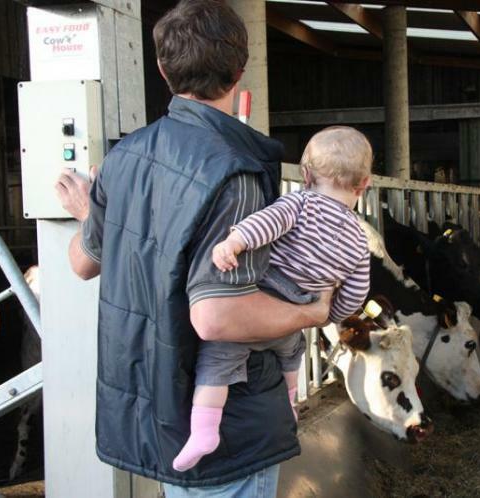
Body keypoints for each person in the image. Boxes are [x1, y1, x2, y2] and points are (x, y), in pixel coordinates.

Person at [54, 0, 331, 496]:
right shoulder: (235, 173)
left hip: (151, 405)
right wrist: (311, 314)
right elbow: (216, 318)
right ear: (240, 70)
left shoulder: (122, 158)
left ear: (162, 69)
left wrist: (92, 216)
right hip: (226, 428)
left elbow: (81, 262)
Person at [173, 127, 372, 472]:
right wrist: (325, 315)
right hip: (297, 316)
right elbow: (357, 291)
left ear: (306, 175)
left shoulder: (301, 202)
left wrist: (233, 242)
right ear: (365, 184)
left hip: (262, 302)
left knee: (218, 357)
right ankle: (291, 404)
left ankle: (204, 431)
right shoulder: (359, 236)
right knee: (291, 354)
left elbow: (266, 222)